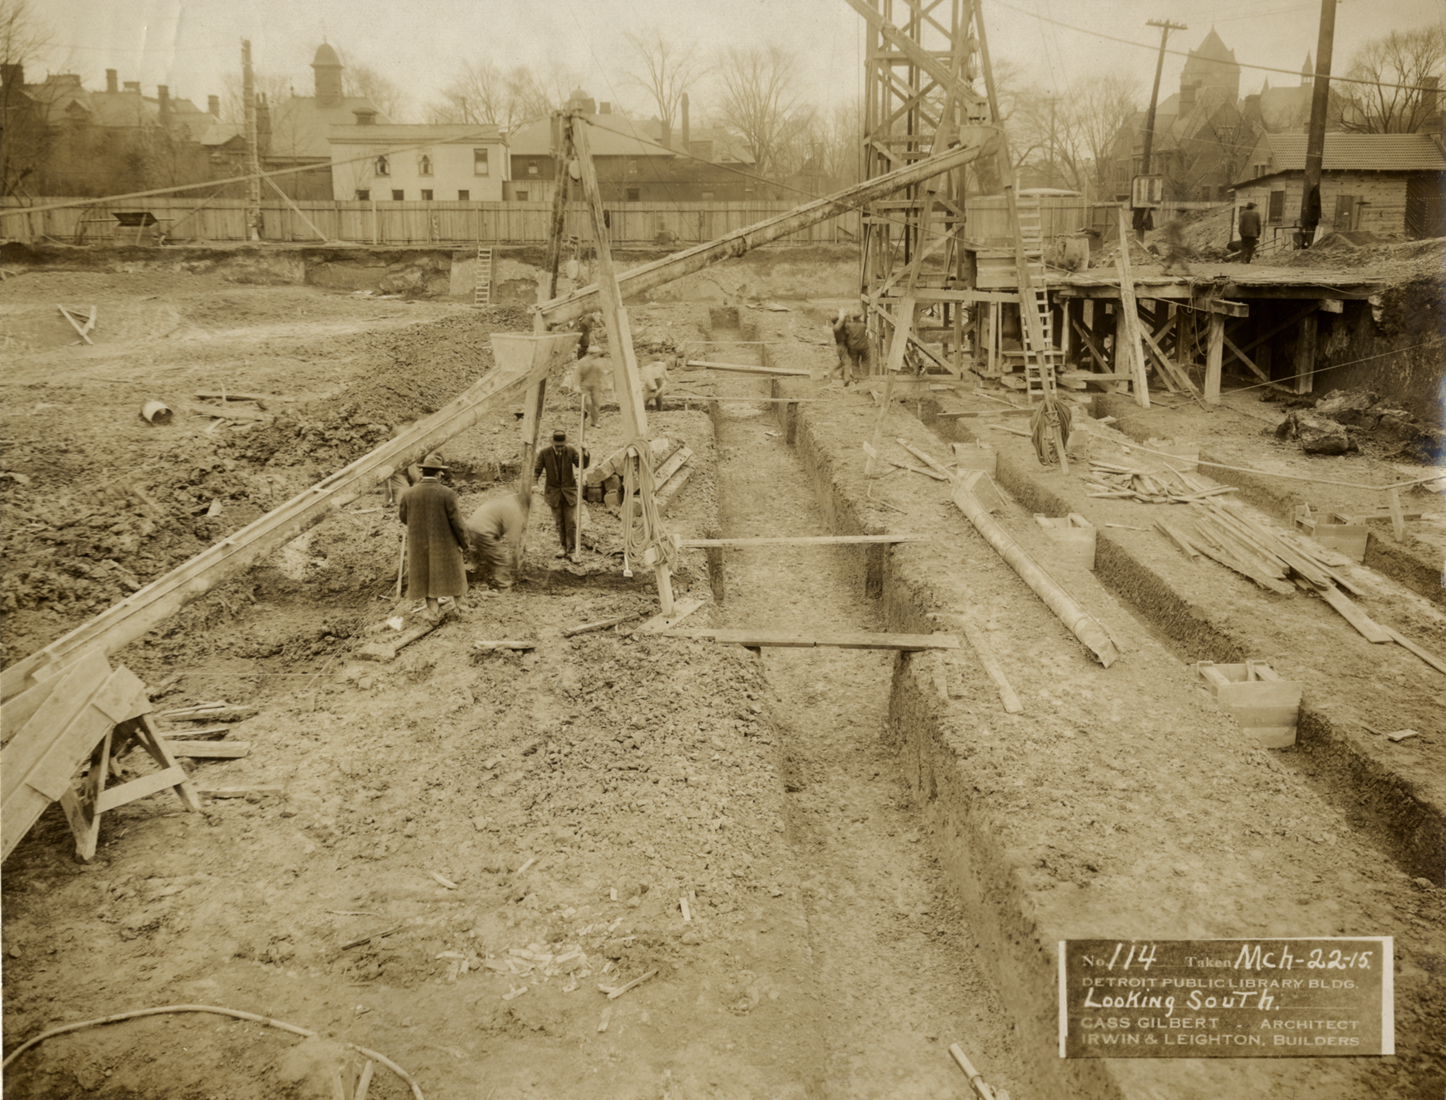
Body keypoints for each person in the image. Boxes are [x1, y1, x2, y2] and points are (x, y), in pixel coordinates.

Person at [397, 453, 469, 622]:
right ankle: (463, 612)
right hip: (446, 544)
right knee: (455, 576)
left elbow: (403, 518)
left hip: (419, 545)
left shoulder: (408, 493)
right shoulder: (447, 493)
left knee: (426, 577)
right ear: (438, 473)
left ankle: (433, 614)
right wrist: (465, 544)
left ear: (422, 473)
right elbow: (457, 522)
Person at [534, 429, 590, 560]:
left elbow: (582, 465)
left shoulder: (570, 450)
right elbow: (536, 470)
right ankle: (563, 547)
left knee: (571, 522)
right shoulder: (544, 453)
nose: (560, 449)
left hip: (569, 492)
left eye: (562, 446)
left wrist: (585, 452)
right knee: (559, 522)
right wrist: (534, 484)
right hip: (553, 493)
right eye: (557, 446)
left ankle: (572, 550)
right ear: (553, 444)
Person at [466, 492, 527, 590]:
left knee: (483, 557)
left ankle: (480, 582)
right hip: (483, 531)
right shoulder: (512, 508)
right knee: (501, 560)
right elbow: (512, 535)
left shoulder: (501, 503)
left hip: (472, 528)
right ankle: (505, 588)